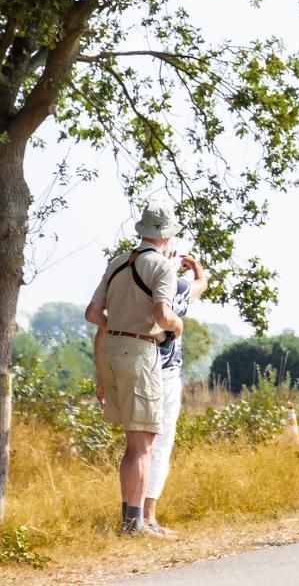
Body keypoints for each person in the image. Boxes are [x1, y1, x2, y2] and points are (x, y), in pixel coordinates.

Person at [85, 202, 184, 536]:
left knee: (133, 442)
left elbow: (93, 313)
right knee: (143, 445)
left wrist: (119, 324)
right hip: (140, 351)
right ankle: (135, 524)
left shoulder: (116, 263)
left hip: (110, 349)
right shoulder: (163, 267)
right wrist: (178, 325)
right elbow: (162, 316)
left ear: (143, 231)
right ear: (167, 236)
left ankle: (130, 520)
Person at [144, 246, 209, 533]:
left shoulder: (130, 280)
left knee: (137, 446)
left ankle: (131, 514)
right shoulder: (178, 286)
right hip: (166, 374)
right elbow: (200, 286)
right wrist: (196, 267)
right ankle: (148, 514)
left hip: (134, 367)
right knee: (160, 445)